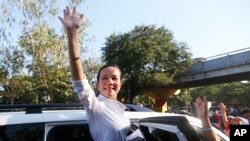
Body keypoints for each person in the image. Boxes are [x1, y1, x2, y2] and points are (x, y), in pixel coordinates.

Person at [59, 6, 130, 141]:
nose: (110, 82)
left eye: (114, 78)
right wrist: (72, 35)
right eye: (104, 78)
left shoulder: (121, 109)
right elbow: (80, 83)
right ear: (97, 85)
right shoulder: (96, 107)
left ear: (120, 83)